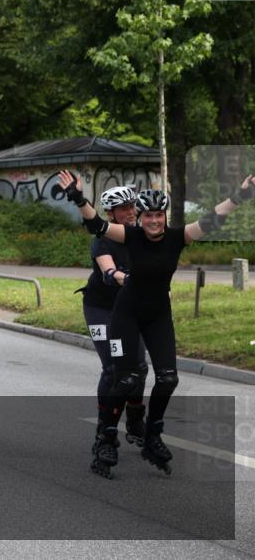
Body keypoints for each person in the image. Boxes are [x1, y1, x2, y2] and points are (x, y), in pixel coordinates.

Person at [58, 170, 254, 477]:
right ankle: (106, 439)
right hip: (124, 314)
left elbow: (212, 219)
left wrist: (242, 194)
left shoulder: (178, 238)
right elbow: (96, 225)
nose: (153, 221)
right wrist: (78, 198)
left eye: (158, 215)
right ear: (141, 217)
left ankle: (152, 436)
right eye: (147, 215)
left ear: (164, 216)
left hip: (158, 315)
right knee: (123, 378)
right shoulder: (130, 235)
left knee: (168, 379)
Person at [74, 186, 147, 474]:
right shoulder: (102, 241)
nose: (130, 212)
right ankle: (104, 433)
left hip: (131, 310)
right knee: (114, 370)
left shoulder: (144, 237)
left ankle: (136, 417)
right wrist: (122, 277)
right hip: (101, 310)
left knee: (139, 368)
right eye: (123, 209)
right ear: (111, 214)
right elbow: (108, 271)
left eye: (132, 207)